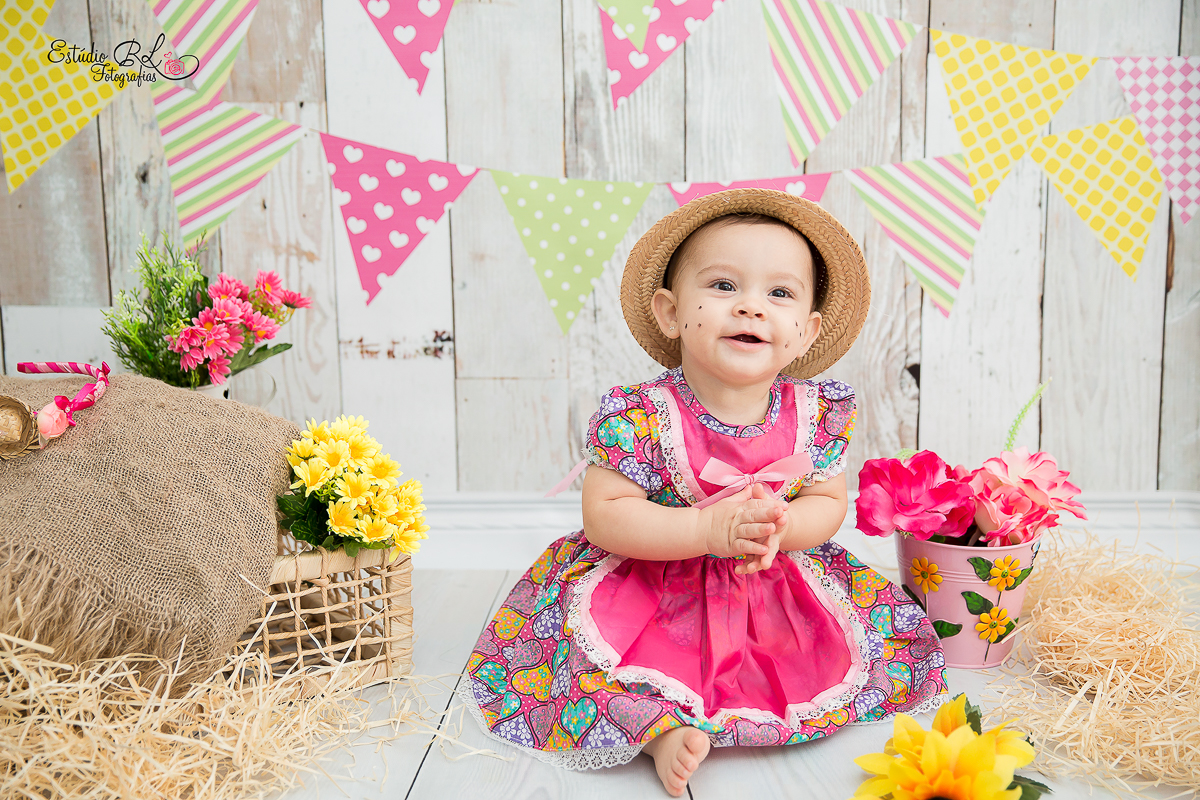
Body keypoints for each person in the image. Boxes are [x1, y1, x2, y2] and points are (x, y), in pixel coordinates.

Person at [459, 189, 948, 796]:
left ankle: (754, 704)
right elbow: (605, 515)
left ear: (806, 330)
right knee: (586, 662)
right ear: (670, 312)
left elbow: (828, 502)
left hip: (770, 582)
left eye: (779, 293)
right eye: (723, 287)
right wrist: (706, 531)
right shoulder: (639, 414)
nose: (750, 308)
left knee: (835, 648)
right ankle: (653, 727)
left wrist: (781, 530)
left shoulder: (819, 413)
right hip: (650, 581)